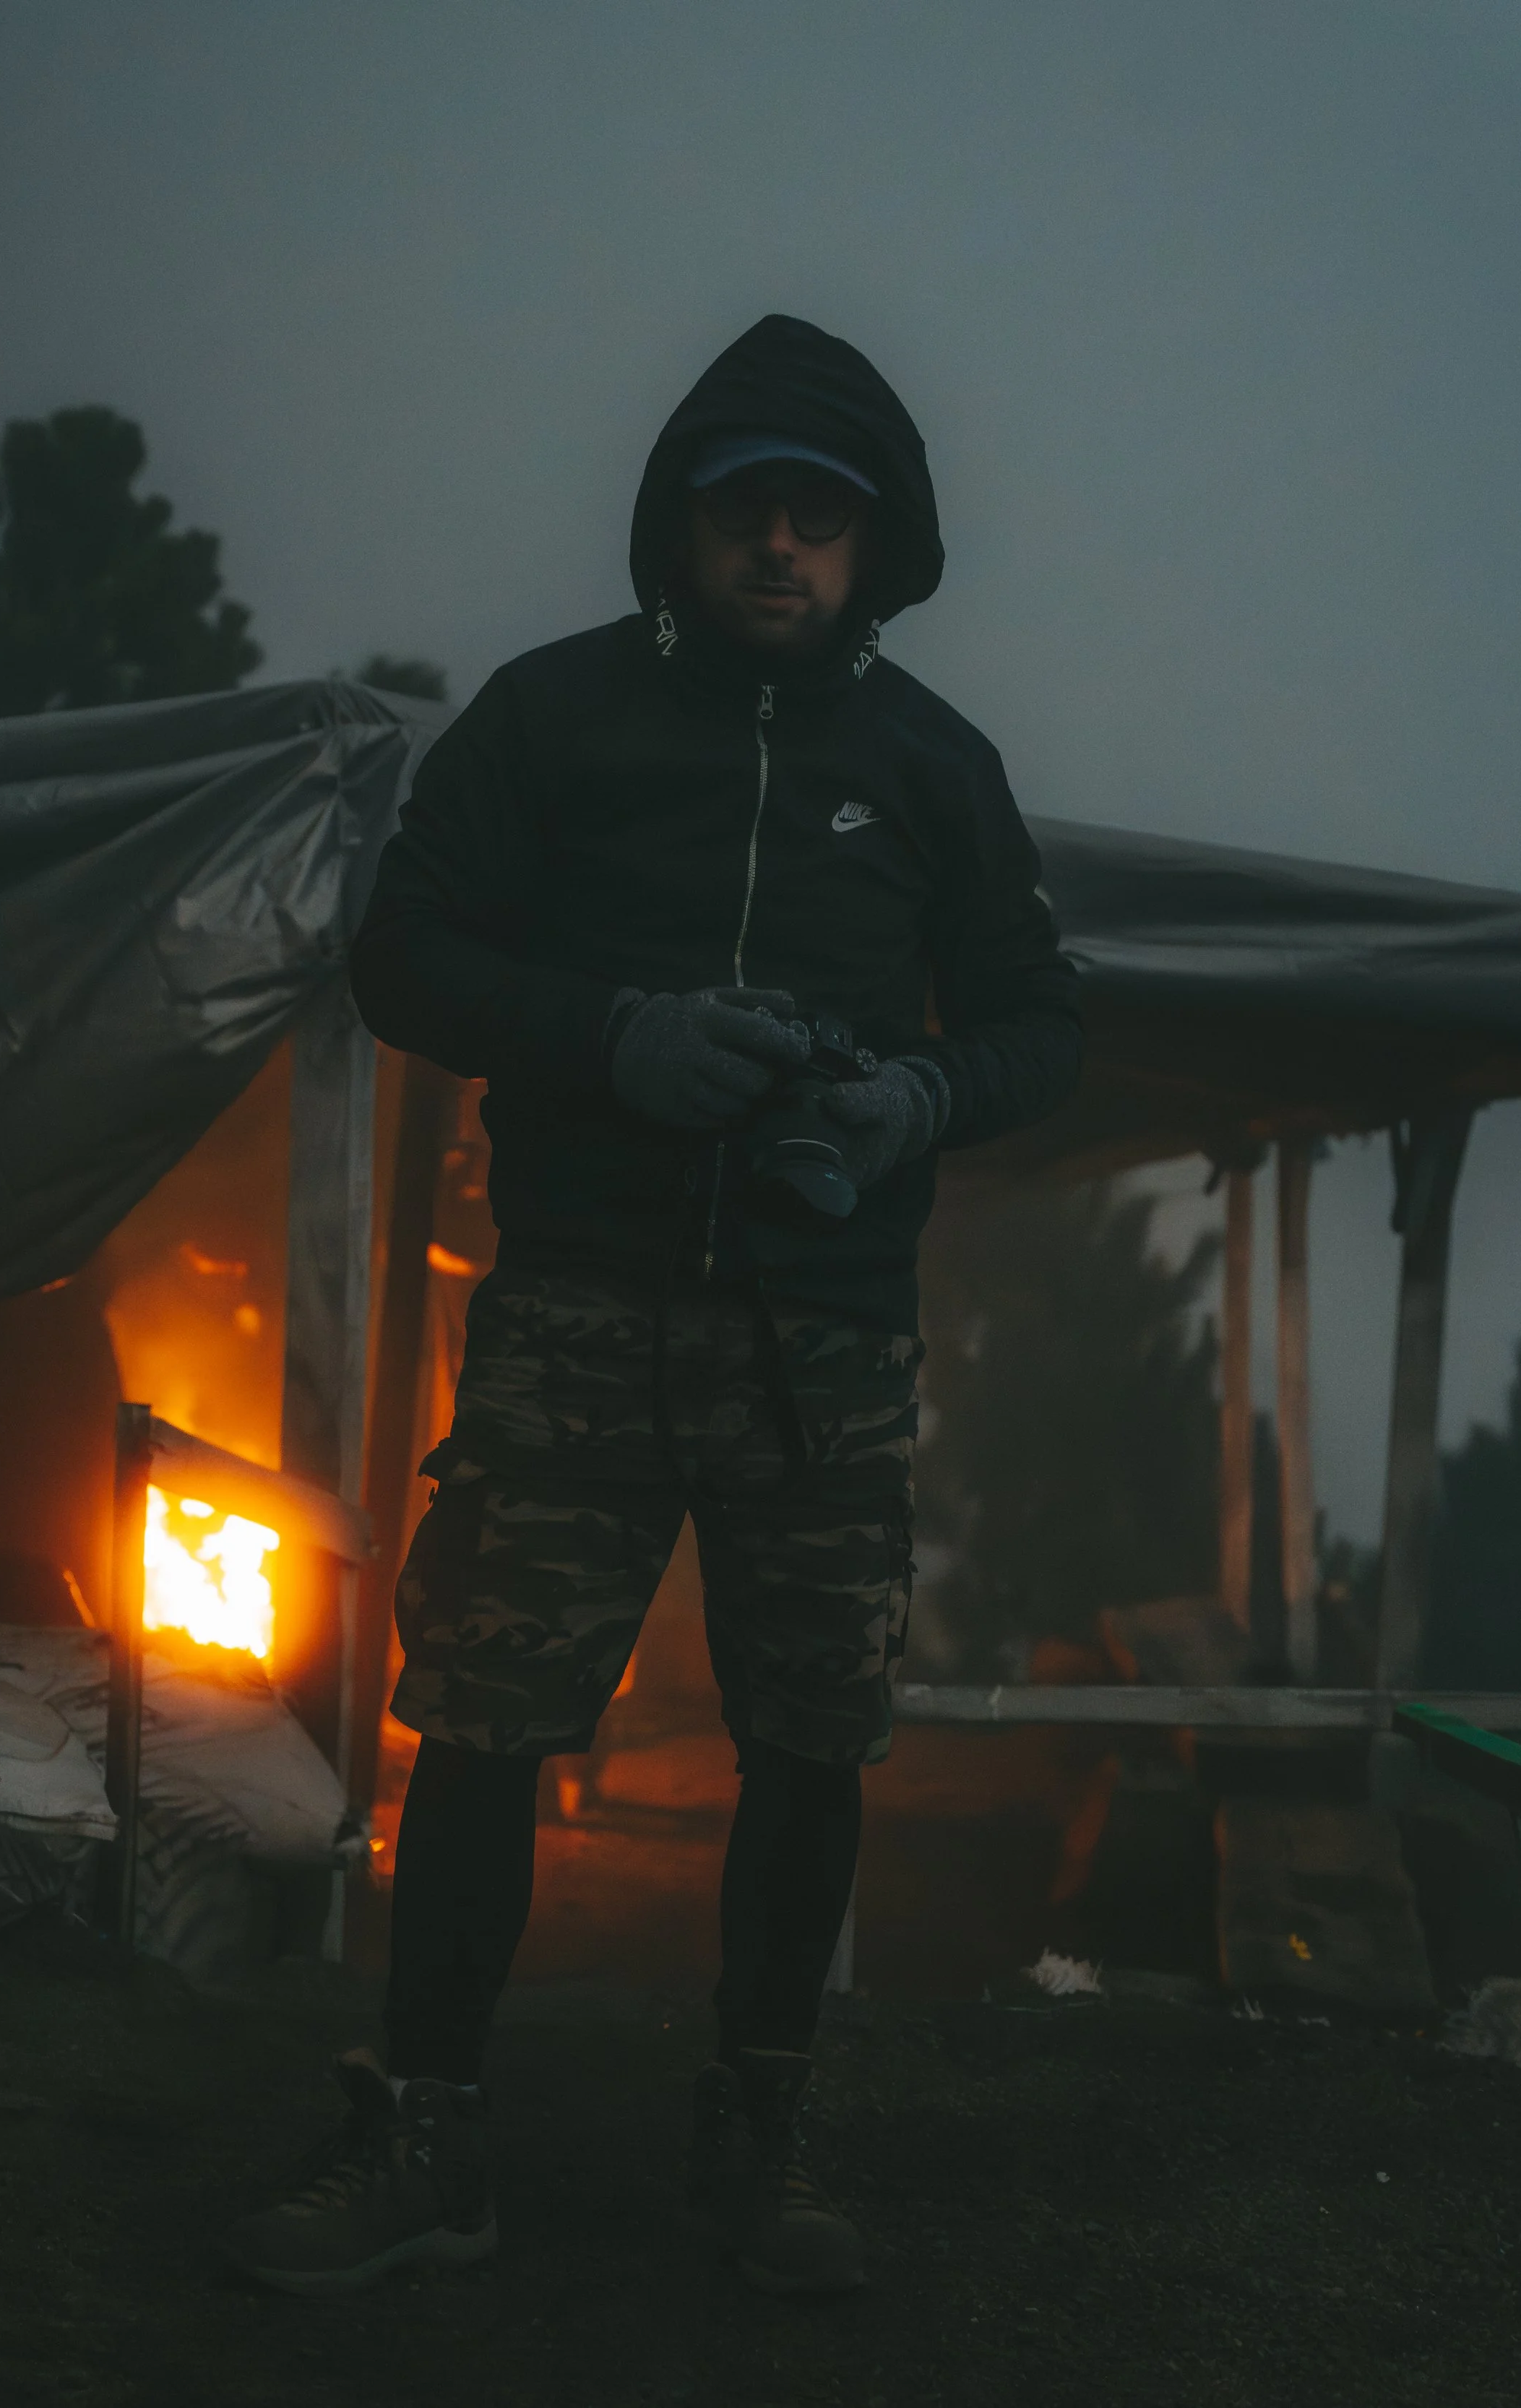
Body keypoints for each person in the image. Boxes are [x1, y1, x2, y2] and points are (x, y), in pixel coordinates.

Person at [224, 314, 1081, 2298]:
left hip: (825, 1337)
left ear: (876, 546)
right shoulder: (552, 721)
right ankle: (426, 2134)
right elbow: (404, 956)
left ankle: (755, 2139)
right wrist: (616, 1036)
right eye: (742, 511)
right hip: (584, 1305)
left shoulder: (933, 767)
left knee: (808, 1737)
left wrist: (914, 1093)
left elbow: (1042, 1022)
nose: (777, 547)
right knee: (486, 1717)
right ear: (677, 527)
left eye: (817, 517)